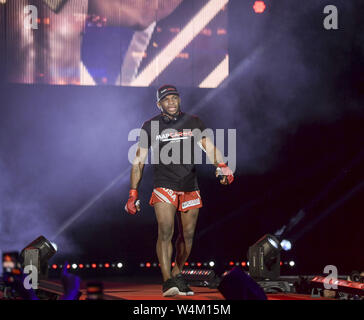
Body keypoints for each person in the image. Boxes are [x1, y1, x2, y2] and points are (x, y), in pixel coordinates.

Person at [125, 85, 234, 297]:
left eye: (174, 98)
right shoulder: (150, 126)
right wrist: (133, 193)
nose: (172, 102)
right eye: (166, 99)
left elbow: (209, 147)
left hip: (189, 186)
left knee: (188, 235)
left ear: (179, 100)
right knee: (166, 231)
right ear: (159, 104)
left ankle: (176, 273)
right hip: (164, 184)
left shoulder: (193, 121)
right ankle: (167, 281)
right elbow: (138, 161)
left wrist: (222, 166)